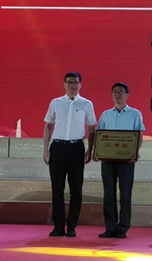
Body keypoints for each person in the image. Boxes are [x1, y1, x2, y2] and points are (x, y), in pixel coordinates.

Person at [43, 72, 97, 237]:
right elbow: (48, 126)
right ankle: (58, 226)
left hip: (76, 148)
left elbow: (92, 129)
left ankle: (72, 226)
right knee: (57, 189)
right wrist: (45, 149)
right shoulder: (56, 102)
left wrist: (90, 150)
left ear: (80, 84)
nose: (72, 85)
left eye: (75, 82)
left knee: (76, 190)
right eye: (69, 82)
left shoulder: (87, 104)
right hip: (57, 148)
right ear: (64, 84)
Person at [96, 82, 145, 239]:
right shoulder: (105, 115)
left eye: (121, 91)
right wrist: (97, 152)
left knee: (125, 195)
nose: (118, 94)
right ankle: (110, 227)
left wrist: (135, 153)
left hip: (126, 161)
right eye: (115, 92)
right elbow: (100, 136)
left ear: (127, 95)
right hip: (108, 160)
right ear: (112, 95)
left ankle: (122, 228)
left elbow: (139, 136)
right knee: (108, 194)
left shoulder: (135, 114)